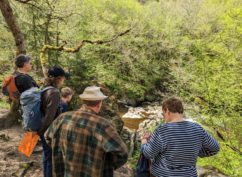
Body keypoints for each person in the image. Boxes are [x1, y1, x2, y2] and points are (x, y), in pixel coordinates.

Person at [45, 86, 128, 177]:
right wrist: (105, 164)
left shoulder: (62, 118)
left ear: (83, 101)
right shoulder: (103, 125)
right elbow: (122, 153)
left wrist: (62, 152)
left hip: (65, 171)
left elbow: (47, 137)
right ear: (99, 103)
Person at [141, 97, 220, 177]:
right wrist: (196, 151)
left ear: (167, 111)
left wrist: (144, 141)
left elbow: (148, 153)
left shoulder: (163, 130)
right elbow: (215, 148)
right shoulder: (197, 128)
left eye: (163, 113)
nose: (163, 116)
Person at [37, 66, 68, 177]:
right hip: (49, 131)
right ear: (59, 78)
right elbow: (49, 116)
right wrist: (45, 133)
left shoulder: (45, 88)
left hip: (42, 127)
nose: (63, 81)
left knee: (46, 156)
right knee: (50, 159)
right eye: (63, 78)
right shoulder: (54, 93)